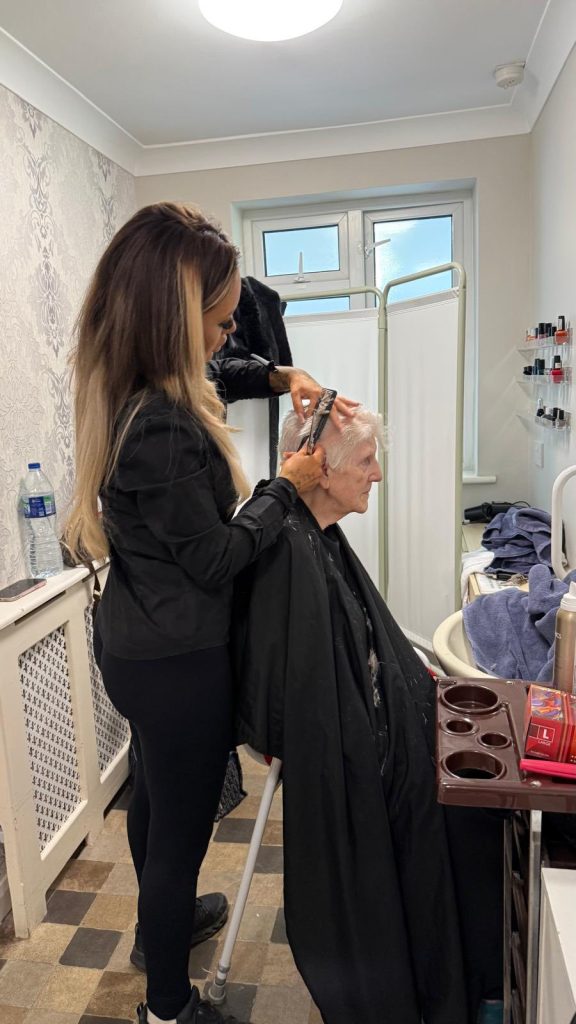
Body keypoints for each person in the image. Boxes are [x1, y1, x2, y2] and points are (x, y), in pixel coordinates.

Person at [64, 201, 356, 1024]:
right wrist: (285, 489)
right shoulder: (159, 428)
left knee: (155, 789)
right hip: (173, 658)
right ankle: (165, 1005)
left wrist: (280, 376)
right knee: (179, 833)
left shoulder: (136, 386)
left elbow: (223, 374)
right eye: (222, 323)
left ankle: (167, 928)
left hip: (136, 643)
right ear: (171, 322)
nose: (231, 336)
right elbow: (217, 561)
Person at [232, 408, 504, 1024]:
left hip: (383, 733)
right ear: (318, 469)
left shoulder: (319, 533)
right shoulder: (291, 555)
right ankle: (466, 979)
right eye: (365, 460)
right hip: (356, 764)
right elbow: (306, 705)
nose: (377, 474)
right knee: (472, 809)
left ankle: (477, 971)